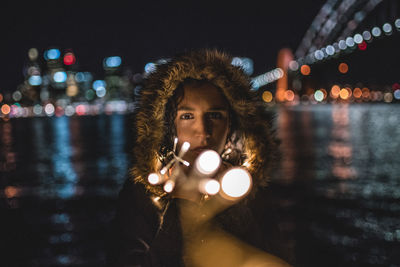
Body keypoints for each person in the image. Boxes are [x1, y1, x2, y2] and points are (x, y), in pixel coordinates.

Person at [107, 49, 291, 267]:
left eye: (215, 115)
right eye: (186, 116)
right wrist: (179, 203)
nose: (203, 131)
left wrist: (234, 208)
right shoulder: (141, 194)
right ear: (167, 126)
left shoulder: (248, 190)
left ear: (231, 125)